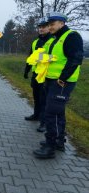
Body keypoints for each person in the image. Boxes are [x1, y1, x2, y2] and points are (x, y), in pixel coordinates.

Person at [33, 12, 84, 159]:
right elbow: (51, 57)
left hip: (61, 82)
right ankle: (59, 141)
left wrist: (63, 78)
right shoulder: (54, 39)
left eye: (52, 24)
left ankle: (50, 147)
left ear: (62, 23)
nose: (50, 27)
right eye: (48, 24)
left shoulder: (71, 36)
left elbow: (76, 59)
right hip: (51, 80)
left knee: (51, 113)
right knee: (58, 112)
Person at [24, 17, 55, 132]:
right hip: (36, 74)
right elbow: (30, 57)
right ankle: (36, 115)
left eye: (44, 27)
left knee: (44, 100)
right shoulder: (35, 42)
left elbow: (53, 57)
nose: (41, 29)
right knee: (36, 97)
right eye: (40, 27)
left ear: (48, 27)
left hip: (46, 75)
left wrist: (40, 58)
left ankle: (44, 122)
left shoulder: (52, 41)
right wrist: (26, 70)